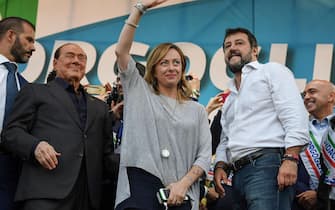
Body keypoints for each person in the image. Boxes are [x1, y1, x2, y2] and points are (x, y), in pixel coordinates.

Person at [114, 0, 212, 209]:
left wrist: (183, 184)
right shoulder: (138, 91)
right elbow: (121, 52)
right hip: (140, 186)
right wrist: (139, 10)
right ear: (154, 69)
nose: (171, 68)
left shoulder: (197, 110)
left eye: (176, 63)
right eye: (164, 63)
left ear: (182, 68)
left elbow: (204, 157)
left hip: (181, 193)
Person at [1, 43, 114, 210]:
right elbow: (10, 133)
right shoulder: (35, 92)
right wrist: (35, 146)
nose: (77, 61)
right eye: (70, 55)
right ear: (55, 63)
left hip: (88, 198)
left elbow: (107, 155)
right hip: (45, 193)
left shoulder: (100, 107)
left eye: (82, 58)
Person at [213, 27, 309, 210]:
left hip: (267, 166)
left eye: (239, 43)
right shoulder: (230, 97)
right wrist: (220, 166)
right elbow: (226, 138)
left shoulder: (271, 71)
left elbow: (294, 114)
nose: (232, 48)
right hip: (238, 175)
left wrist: (291, 158)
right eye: (227, 46)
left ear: (255, 50)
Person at [0, 16, 36, 210]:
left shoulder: (25, 87)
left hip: (12, 171)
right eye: (29, 40)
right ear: (11, 35)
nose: (33, 48)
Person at [293, 80, 335, 210]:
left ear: (331, 97)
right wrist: (304, 192)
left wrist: (321, 195)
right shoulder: (297, 130)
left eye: (312, 92)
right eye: (304, 94)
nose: (306, 97)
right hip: (303, 201)